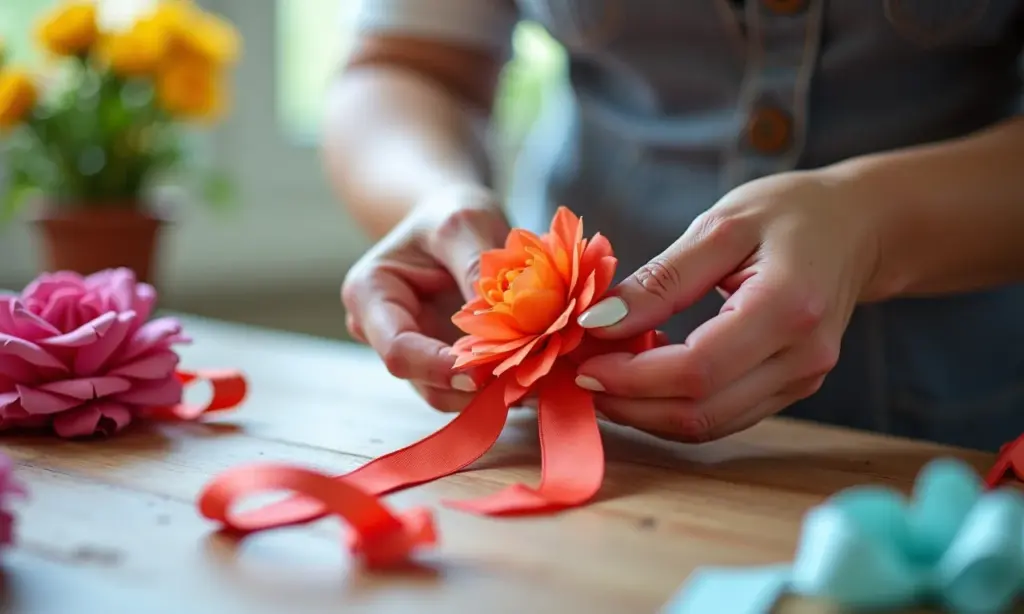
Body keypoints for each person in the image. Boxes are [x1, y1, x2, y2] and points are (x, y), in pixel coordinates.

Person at [326, 0, 1024, 452]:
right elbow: (408, 65)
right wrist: (432, 198)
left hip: (955, 440)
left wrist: (871, 222)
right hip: (579, 447)